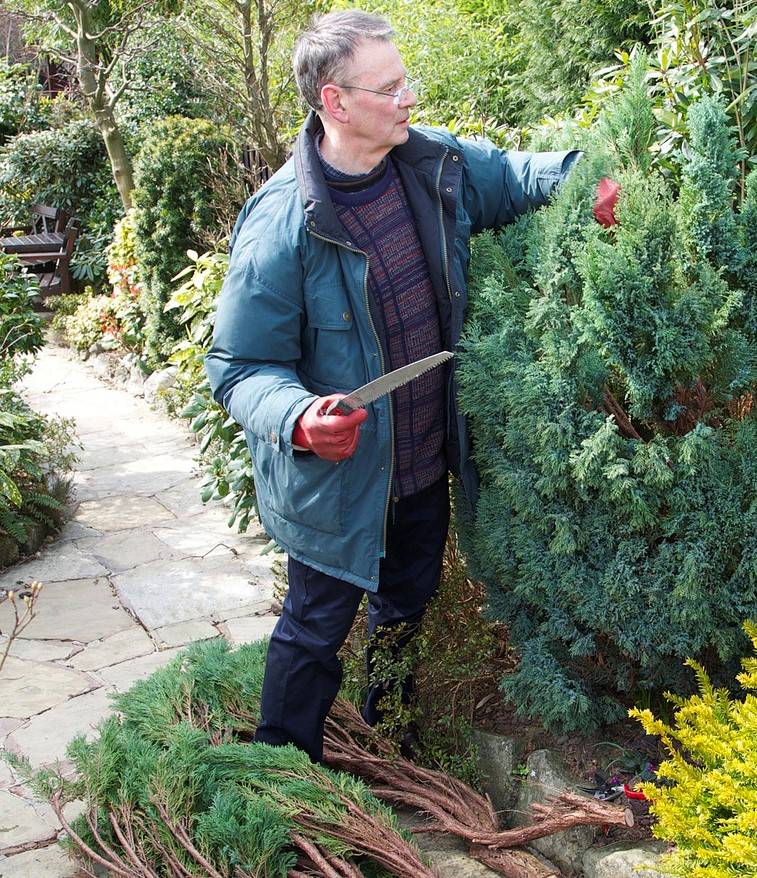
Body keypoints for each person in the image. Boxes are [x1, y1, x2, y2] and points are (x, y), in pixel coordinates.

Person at [205, 9, 579, 763]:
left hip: (419, 465)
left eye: (406, 80)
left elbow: (511, 176)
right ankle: (281, 777)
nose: (410, 98)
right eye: (390, 87)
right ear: (335, 103)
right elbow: (238, 367)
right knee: (313, 631)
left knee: (404, 609)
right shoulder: (284, 224)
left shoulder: (427, 163)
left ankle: (391, 746)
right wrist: (301, 417)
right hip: (339, 484)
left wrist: (584, 177)